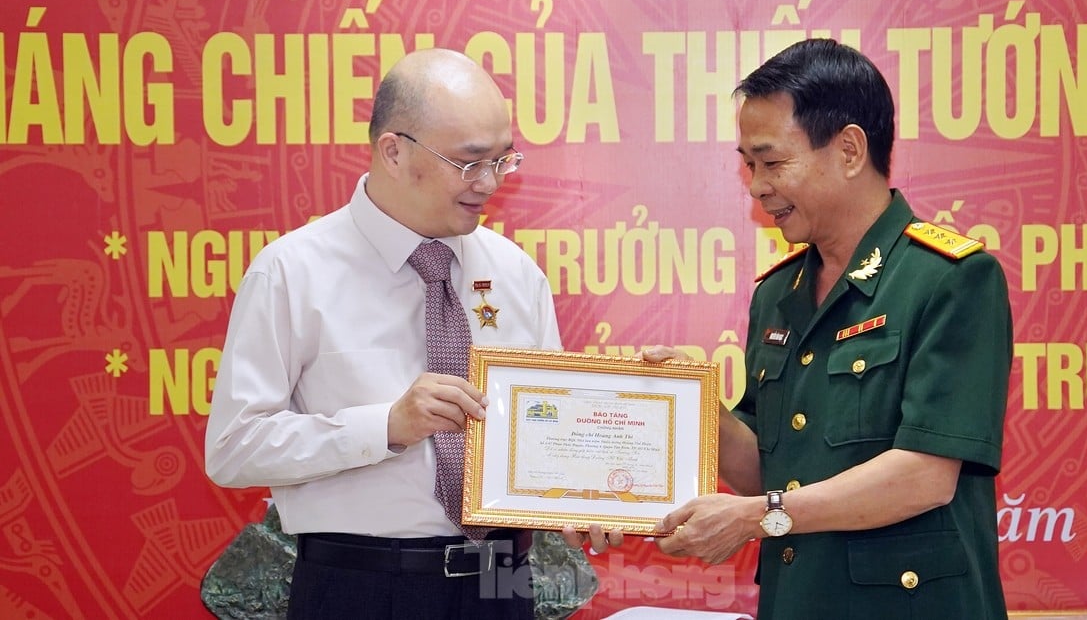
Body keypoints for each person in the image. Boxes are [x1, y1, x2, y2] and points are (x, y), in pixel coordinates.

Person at [205, 48, 617, 620]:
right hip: (363, 582)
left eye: (503, 160)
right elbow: (233, 449)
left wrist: (574, 495)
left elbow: (547, 432)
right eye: (471, 162)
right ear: (393, 151)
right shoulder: (292, 272)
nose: (490, 182)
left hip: (503, 576)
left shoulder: (515, 272)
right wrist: (385, 427)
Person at [649, 39, 1013, 618]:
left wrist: (758, 516)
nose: (756, 185)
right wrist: (695, 407)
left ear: (848, 150)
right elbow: (771, 469)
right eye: (749, 165)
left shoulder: (951, 279)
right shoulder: (777, 296)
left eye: (772, 162)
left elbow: (925, 475)